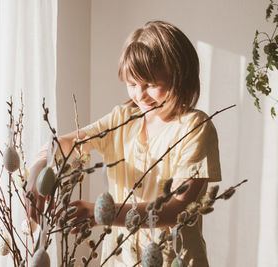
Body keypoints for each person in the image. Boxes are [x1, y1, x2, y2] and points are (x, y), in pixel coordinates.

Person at [26, 20, 221, 267]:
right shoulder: (122, 119)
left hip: (176, 261)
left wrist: (102, 213)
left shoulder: (194, 127)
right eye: (132, 84)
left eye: (150, 84)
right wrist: (36, 173)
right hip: (120, 260)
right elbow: (63, 144)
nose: (139, 95)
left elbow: (177, 208)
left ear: (179, 77)